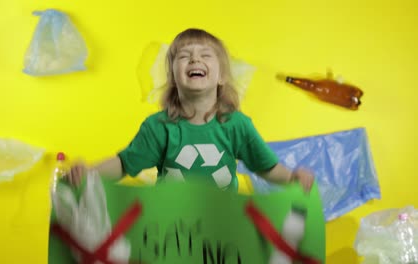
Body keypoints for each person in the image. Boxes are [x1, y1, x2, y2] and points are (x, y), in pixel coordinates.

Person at [67, 28, 314, 193]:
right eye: (184, 56)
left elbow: (266, 167)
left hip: (222, 230)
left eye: (206, 55)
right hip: (171, 230)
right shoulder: (158, 127)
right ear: (172, 76)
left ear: (221, 77)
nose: (195, 59)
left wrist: (292, 178)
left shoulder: (237, 125)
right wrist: (89, 174)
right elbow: (124, 164)